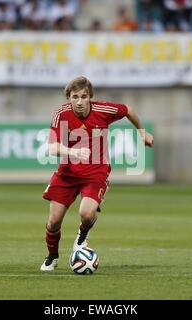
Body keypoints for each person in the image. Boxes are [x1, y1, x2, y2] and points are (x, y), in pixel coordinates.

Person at [40, 76, 154, 271]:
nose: (79, 102)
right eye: (75, 97)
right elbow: (52, 147)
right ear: (69, 97)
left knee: (86, 213)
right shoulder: (61, 113)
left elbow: (128, 110)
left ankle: (81, 239)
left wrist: (141, 132)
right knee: (53, 222)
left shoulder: (104, 110)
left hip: (95, 174)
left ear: (90, 97)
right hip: (67, 174)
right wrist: (74, 152)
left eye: (84, 97)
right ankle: (52, 256)